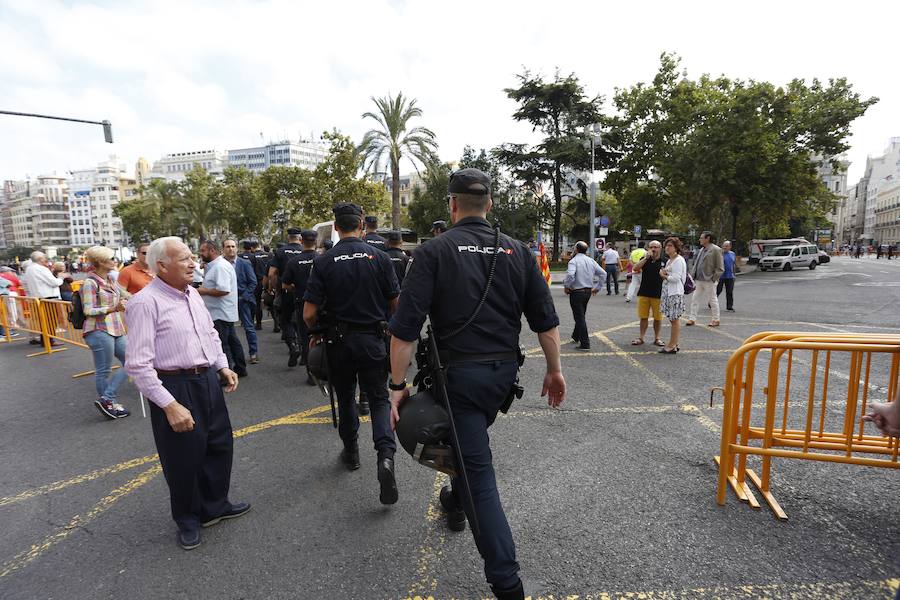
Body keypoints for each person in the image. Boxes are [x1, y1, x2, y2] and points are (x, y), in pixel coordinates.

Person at [388, 168, 566, 600]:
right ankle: (453, 501)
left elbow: (404, 332)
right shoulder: (517, 251)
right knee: (469, 450)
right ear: (489, 204)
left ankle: (507, 583)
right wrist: (555, 370)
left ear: (451, 205)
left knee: (478, 476)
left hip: (458, 381)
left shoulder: (433, 251)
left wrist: (397, 386)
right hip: (501, 379)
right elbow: (545, 322)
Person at [125, 236, 248, 550]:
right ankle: (188, 517)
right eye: (184, 259)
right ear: (162, 266)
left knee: (219, 444)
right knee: (182, 457)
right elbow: (138, 365)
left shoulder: (191, 293)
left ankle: (216, 504)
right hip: (175, 385)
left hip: (206, 379)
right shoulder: (145, 302)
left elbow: (208, 333)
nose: (194, 262)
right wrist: (169, 405)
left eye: (193, 257)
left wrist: (222, 366)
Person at [302, 203, 401, 504]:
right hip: (373, 339)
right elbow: (397, 304)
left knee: (345, 397)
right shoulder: (380, 257)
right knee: (379, 399)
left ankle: (352, 452)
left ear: (336, 225)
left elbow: (308, 313)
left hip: (338, 342)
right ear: (360, 223)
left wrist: (317, 331)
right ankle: (385, 456)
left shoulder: (325, 260)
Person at [80, 246, 131, 419]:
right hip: (98, 330)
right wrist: (113, 308)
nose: (115, 260)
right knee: (104, 370)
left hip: (116, 329)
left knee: (132, 361)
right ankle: (109, 403)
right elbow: (88, 310)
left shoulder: (109, 279)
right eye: (111, 258)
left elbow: (128, 295)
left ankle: (106, 399)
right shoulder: (90, 283)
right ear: (101, 262)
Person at [198, 240, 248, 378]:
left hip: (220, 313)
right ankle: (240, 368)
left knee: (223, 345)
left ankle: (228, 374)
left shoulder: (220, 266)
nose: (201, 254)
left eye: (203, 251)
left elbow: (223, 290)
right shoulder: (214, 266)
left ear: (212, 251)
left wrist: (203, 291)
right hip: (220, 312)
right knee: (232, 340)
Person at [280, 229, 317, 377]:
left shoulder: (293, 262)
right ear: (316, 242)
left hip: (303, 302)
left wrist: (295, 287)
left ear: (302, 241)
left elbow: (285, 285)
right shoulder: (323, 258)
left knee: (306, 337)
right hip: (323, 304)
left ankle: (311, 374)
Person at [268, 228, 305, 366]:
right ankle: (305, 351)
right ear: (300, 238)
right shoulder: (305, 250)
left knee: (286, 320)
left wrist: (273, 288)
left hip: (286, 291)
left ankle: (293, 345)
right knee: (303, 321)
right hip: (303, 292)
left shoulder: (281, 252)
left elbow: (272, 274)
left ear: (289, 238)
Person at [563, 241, 606, 350]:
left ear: (576, 249)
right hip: (587, 292)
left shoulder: (573, 261)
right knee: (581, 314)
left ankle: (585, 343)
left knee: (579, 317)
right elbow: (603, 273)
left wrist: (567, 286)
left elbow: (570, 275)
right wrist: (597, 287)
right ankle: (576, 336)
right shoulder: (591, 260)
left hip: (577, 292)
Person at [224, 239, 259, 365]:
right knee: (227, 329)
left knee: (249, 327)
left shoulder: (244, 263)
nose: (231, 249)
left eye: (233, 246)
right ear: (223, 249)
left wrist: (244, 297)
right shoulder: (220, 264)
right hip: (226, 301)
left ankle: (253, 353)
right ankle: (230, 358)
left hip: (242, 299)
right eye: (228, 246)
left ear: (237, 248)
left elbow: (253, 282)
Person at [24, 251, 64, 347]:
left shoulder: (29, 269)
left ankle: (46, 340)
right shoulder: (41, 269)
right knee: (50, 321)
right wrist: (61, 278)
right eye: (44, 258)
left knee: (44, 321)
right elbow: (53, 282)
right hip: (48, 297)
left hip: (38, 297)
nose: (45, 260)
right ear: (40, 259)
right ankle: (49, 341)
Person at [686, 231, 724, 328]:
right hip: (699, 279)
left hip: (709, 280)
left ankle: (716, 319)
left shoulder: (716, 249)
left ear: (707, 239)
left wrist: (713, 278)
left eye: (702, 238)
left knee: (712, 300)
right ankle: (692, 318)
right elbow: (697, 264)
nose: (700, 239)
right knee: (695, 299)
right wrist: (693, 275)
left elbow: (720, 267)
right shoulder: (701, 250)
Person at [631, 240, 665, 347]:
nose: (654, 249)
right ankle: (641, 337)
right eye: (651, 247)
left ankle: (657, 338)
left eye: (656, 247)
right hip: (644, 292)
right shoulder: (645, 259)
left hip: (658, 293)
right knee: (643, 317)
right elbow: (635, 268)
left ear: (660, 249)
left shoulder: (664, 261)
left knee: (658, 318)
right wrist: (646, 258)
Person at [659, 237, 687, 354]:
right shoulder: (670, 260)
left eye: (670, 246)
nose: (667, 248)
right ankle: (674, 343)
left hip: (675, 292)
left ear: (676, 248)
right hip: (669, 292)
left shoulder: (678, 260)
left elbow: (676, 278)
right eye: (666, 246)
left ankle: (672, 345)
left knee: (674, 320)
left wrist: (663, 275)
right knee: (672, 319)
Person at [247, 241, 270, 330]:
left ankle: (258, 323)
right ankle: (277, 324)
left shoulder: (252, 257)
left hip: (257, 281)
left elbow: (250, 271)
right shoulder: (269, 255)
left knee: (257, 303)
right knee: (271, 302)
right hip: (268, 280)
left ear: (252, 248)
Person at [716, 240, 736, 312]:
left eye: (726, 246)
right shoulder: (719, 254)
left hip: (730, 276)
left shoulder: (732, 254)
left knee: (729, 292)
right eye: (724, 246)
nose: (724, 247)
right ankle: (712, 303)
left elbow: (733, 264)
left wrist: (734, 274)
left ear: (730, 247)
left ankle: (729, 306)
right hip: (721, 276)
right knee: (718, 290)